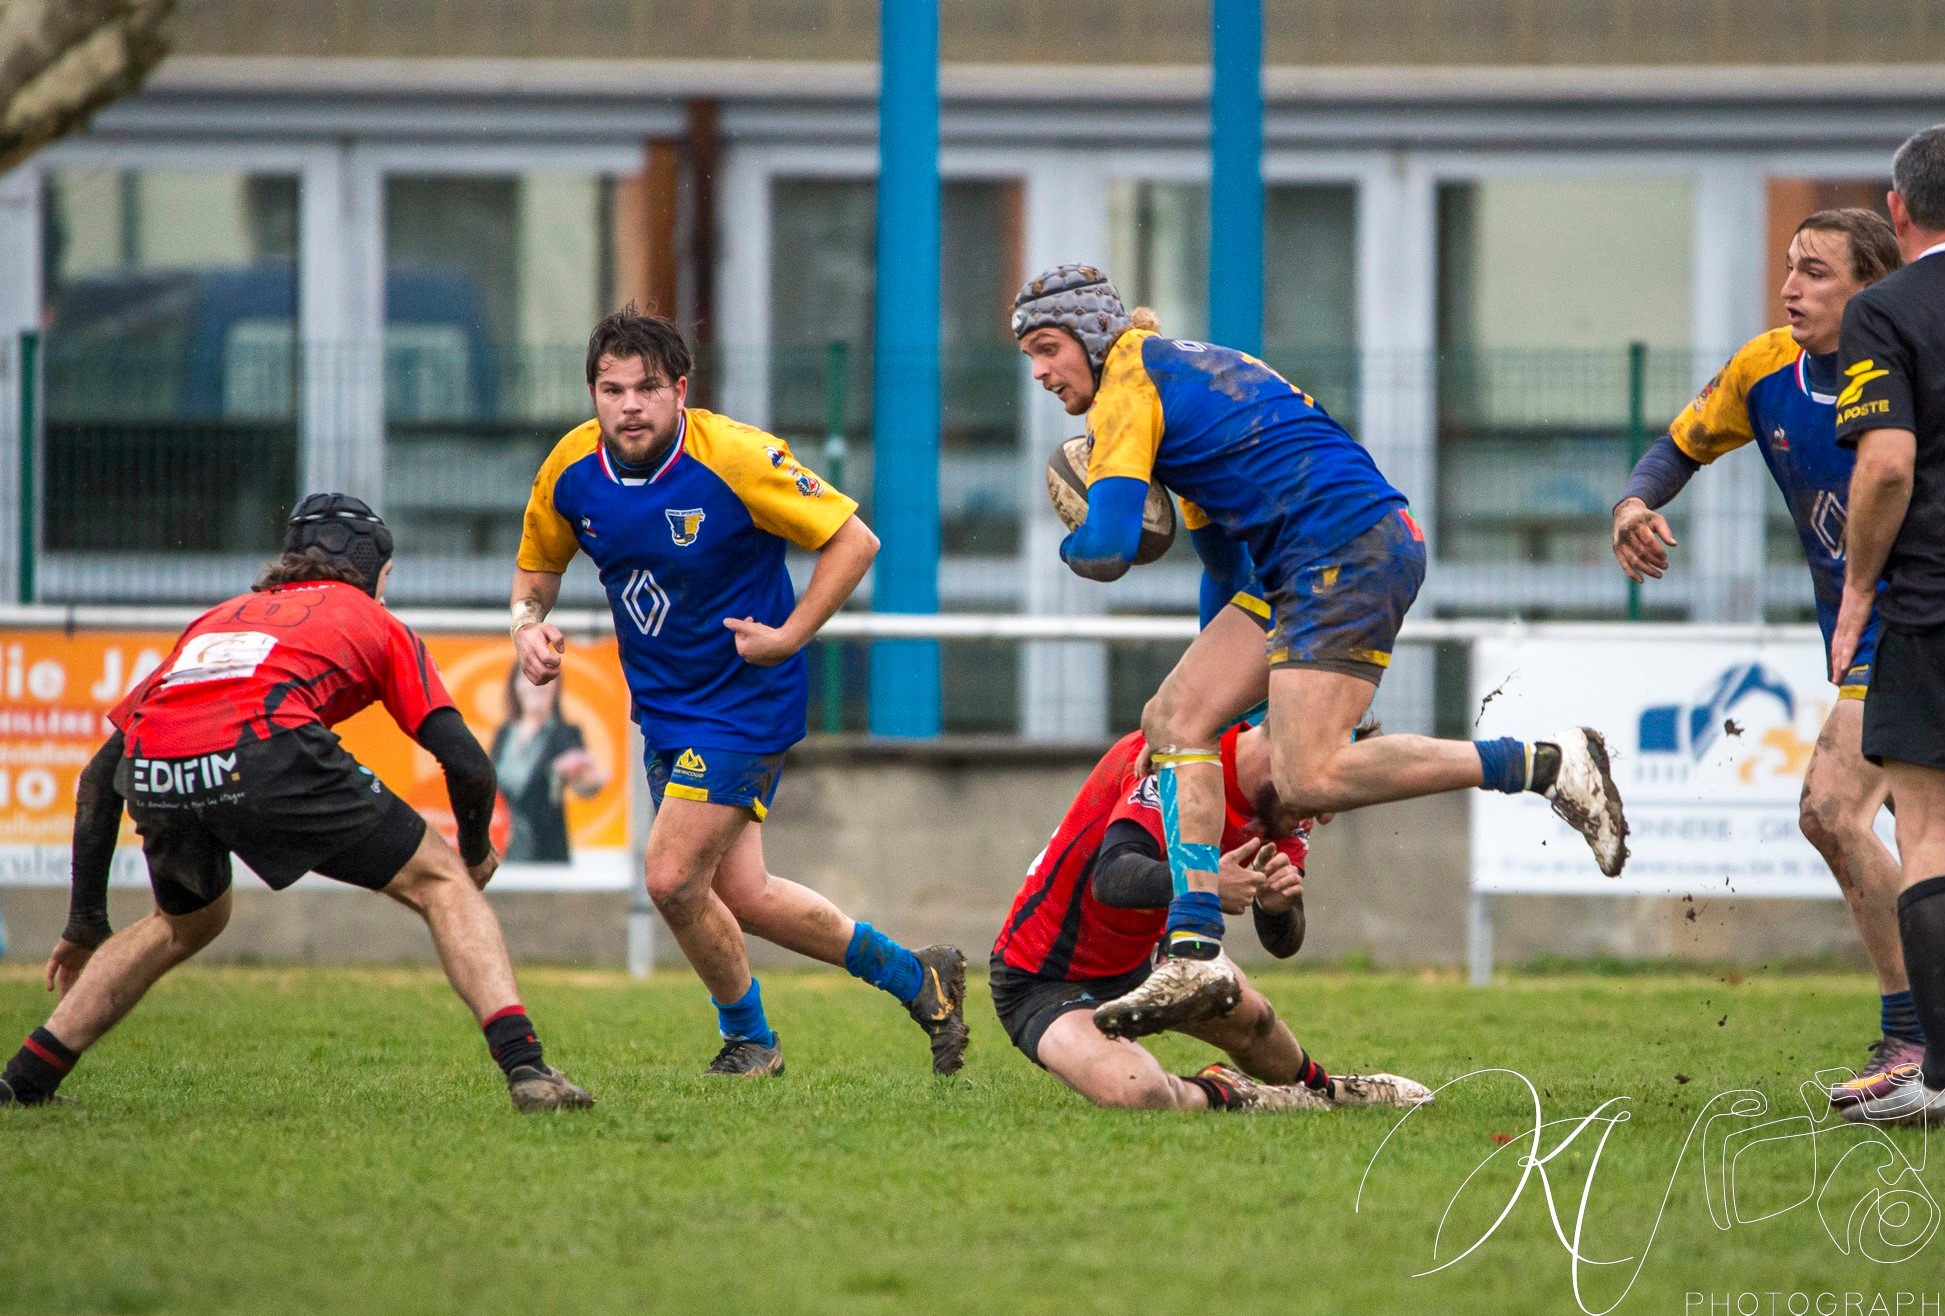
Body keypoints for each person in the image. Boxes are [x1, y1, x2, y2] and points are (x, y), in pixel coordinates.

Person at [1013, 265, 1628, 1040]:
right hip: (1307, 555)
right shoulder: (1176, 380)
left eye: (1048, 348)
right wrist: (1217, 708)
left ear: (1095, 336)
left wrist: (1079, 531)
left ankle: (1545, 761)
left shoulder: (1127, 392)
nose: (1039, 372)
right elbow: (1223, 573)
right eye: (1030, 356)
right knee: (1172, 718)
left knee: (1308, 776)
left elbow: (1104, 550)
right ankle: (1196, 951)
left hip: (1343, 547)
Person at [1, 494, 591, 1113]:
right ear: (370, 569)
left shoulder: (217, 620)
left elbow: (100, 779)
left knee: (186, 922)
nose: (385, 592)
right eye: (386, 579)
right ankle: (528, 1069)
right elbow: (469, 764)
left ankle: (24, 1078)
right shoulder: (375, 621)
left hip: (157, 769)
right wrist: (472, 858)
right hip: (266, 749)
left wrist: (85, 920)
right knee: (441, 884)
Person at [510, 309, 967, 1078]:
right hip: (664, 707)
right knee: (744, 894)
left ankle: (750, 1040)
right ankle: (916, 977)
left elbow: (855, 540)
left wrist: (789, 636)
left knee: (669, 879)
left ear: (679, 390)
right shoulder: (570, 468)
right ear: (592, 391)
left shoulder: (738, 457)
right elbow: (536, 574)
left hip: (745, 701)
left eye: (648, 389)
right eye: (611, 389)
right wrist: (527, 625)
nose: (629, 406)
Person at [1610, 209, 1920, 1108]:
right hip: (1870, 638)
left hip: (1924, 624)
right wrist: (1634, 505)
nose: (1791, 287)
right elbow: (1676, 446)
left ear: (1871, 289)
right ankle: (1928, 1040)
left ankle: (1917, 1038)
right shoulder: (1763, 371)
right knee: (1908, 832)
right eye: (1790, 267)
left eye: (1817, 272)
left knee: (1833, 809)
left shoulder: (1916, 371)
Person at [992, 718, 1432, 1112]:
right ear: (1287, 753)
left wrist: (1275, 906)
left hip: (1149, 957)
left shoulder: (1293, 801)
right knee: (1141, 1093)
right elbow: (1110, 878)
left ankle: (1327, 1091)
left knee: (1255, 1019)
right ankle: (1233, 1092)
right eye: (1330, 790)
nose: (1329, 813)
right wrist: (1204, 883)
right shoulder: (1181, 755)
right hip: (1043, 977)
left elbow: (1283, 943)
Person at [1826, 125, 1945, 1126]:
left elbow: (1884, 465)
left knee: (1930, 831)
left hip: (1941, 597)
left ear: (1896, 210)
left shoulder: (1884, 310)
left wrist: (1856, 591)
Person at [491, 665, 606, 864]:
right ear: (516, 685)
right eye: (528, 676)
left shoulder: (566, 735)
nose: (537, 684)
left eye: (546, 678)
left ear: (556, 687)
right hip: (503, 853)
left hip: (544, 855)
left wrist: (589, 780)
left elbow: (582, 781)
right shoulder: (504, 734)